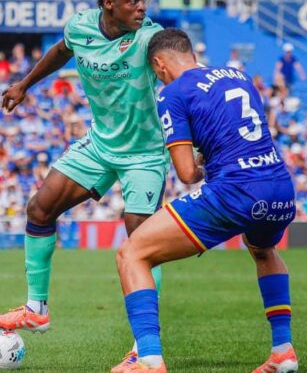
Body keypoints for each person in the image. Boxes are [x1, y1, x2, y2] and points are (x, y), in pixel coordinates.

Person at [0, 0, 167, 368]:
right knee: (39, 209)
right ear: (109, 5)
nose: (142, 7)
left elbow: (184, 75)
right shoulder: (80, 27)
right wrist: (24, 84)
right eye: (133, 1)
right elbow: (60, 51)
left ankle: (145, 350)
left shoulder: (150, 37)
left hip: (144, 154)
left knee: (141, 246)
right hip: (100, 145)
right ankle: (36, 309)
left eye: (143, 0)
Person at [113, 28, 297, 373]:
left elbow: (186, 173)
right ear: (192, 55)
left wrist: (201, 166)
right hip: (280, 186)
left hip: (236, 190)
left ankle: (149, 359)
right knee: (263, 250)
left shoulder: (172, 93)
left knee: (131, 253)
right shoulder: (239, 76)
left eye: (156, 72)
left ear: (159, 64)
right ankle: (283, 351)